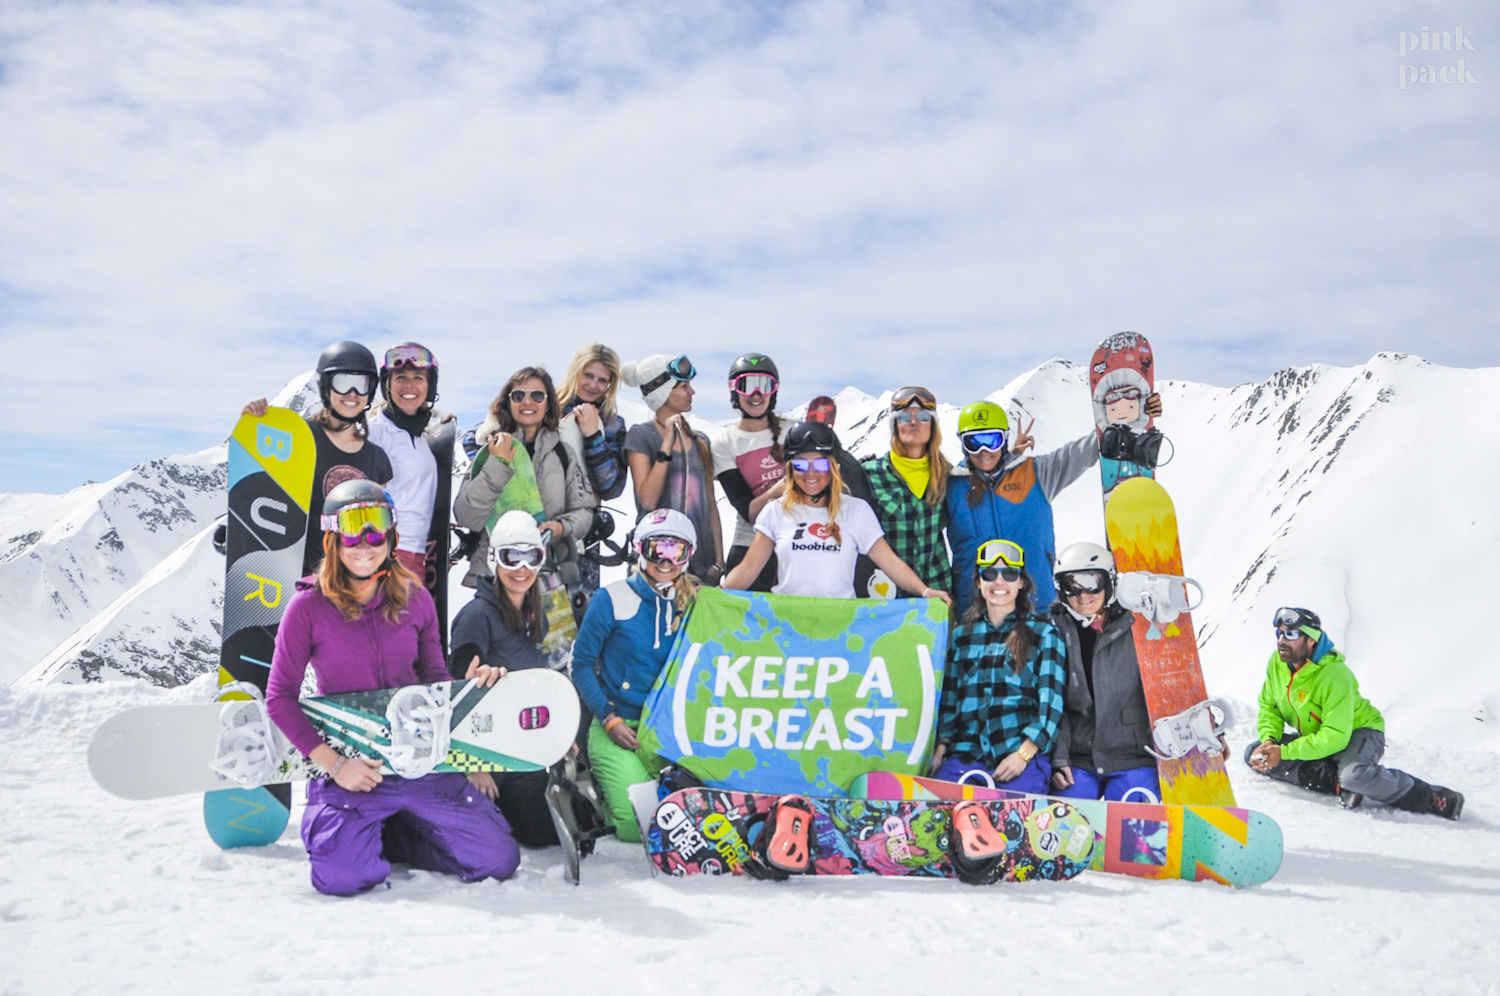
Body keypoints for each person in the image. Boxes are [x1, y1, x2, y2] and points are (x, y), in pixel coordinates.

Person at [265, 480, 518, 896]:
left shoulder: (415, 599)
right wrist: (335, 765)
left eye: (376, 528)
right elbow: (279, 697)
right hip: (355, 765)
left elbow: (433, 675)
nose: (365, 543)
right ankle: (366, 833)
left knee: (497, 860)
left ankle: (396, 834)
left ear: (391, 535)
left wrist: (464, 692)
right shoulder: (308, 607)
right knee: (342, 878)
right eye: (352, 530)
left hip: (418, 760)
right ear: (333, 539)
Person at [1246, 607, 1464, 819]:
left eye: (1291, 634)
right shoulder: (1277, 663)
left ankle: (1429, 797)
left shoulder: (1335, 675)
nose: (1282, 640)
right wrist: (1269, 740)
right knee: (1254, 754)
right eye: (1280, 633)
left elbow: (1335, 736)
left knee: (1355, 776)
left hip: (1359, 732)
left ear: (1311, 639)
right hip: (1321, 737)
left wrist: (1284, 752)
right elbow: (1270, 707)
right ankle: (1336, 782)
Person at [947, 398, 1155, 614]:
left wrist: (1135, 416)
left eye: (992, 440)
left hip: (1038, 606)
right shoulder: (950, 486)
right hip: (974, 610)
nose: (983, 451)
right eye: (973, 442)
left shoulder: (1036, 472)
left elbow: (1079, 453)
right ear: (962, 443)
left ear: (1005, 439)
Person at [570, 509, 700, 841]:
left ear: (688, 555)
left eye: (676, 550)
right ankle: (603, 795)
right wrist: (608, 717)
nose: (666, 561)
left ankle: (643, 786)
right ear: (640, 550)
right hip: (620, 727)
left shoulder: (697, 603)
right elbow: (580, 664)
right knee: (637, 826)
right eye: (656, 549)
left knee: (693, 819)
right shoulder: (611, 598)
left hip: (671, 730)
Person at [722, 421, 953, 604]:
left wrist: (924, 591)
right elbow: (748, 569)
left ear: (833, 468)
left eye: (821, 464)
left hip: (841, 624)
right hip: (787, 622)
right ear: (790, 469)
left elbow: (890, 562)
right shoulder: (775, 512)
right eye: (801, 465)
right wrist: (716, 594)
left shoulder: (855, 510)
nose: (811, 473)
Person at [448, 510, 560, 847]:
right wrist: (472, 766)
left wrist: (557, 732)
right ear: (494, 558)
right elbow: (453, 698)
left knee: (546, 834)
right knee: (488, 838)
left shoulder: (537, 615)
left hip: (517, 749)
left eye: (531, 557)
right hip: (482, 753)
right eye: (512, 557)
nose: (522, 569)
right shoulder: (476, 616)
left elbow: (536, 688)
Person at [243, 341, 393, 577]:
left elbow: (377, 524)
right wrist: (253, 428)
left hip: (349, 578)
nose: (352, 393)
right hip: (298, 576)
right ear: (325, 387)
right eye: (342, 382)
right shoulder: (297, 439)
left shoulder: (377, 458)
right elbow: (262, 492)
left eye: (361, 384)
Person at [931, 539, 1066, 794]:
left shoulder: (1044, 634)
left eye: (1010, 574)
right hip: (967, 755)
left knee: (1013, 814)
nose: (999, 582)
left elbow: (1051, 706)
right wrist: (940, 751)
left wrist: (1023, 755)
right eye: (990, 574)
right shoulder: (962, 635)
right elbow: (949, 701)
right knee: (936, 806)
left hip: (1018, 753)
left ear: (1021, 582)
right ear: (978, 581)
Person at [454, 366, 597, 590]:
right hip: (494, 576)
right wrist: (498, 464)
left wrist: (561, 527)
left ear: (548, 404)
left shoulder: (563, 454)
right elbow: (466, 516)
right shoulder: (489, 451)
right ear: (508, 402)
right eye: (518, 396)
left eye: (537, 396)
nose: (527, 402)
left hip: (548, 575)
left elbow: (584, 511)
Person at [1045, 543, 1160, 803]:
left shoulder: (1139, 625)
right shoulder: (1054, 633)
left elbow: (1172, 678)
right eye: (1072, 585)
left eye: (1093, 582)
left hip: (1132, 755)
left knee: (1131, 814)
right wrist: (1059, 757)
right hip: (1080, 758)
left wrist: (1206, 732)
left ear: (1108, 582)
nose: (1083, 594)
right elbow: (1054, 703)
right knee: (1068, 815)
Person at [621, 354, 724, 584]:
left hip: (701, 568)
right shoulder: (641, 436)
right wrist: (666, 444)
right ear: (662, 391)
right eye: (683, 386)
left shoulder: (701, 441)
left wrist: (718, 562)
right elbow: (648, 500)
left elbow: (710, 504)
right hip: (656, 564)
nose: (691, 392)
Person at [365, 343, 452, 580]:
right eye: (400, 377)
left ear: (430, 386)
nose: (409, 385)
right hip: (389, 554)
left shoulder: (420, 437)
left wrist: (441, 430)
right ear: (387, 384)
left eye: (418, 378)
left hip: (421, 556)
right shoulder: (375, 433)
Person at [862, 386, 951, 598]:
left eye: (923, 417)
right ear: (895, 426)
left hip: (937, 590)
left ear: (932, 426)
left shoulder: (947, 474)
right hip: (887, 594)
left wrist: (1010, 457)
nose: (913, 422)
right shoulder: (869, 474)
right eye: (904, 417)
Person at [711, 353, 789, 592]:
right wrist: (785, 485)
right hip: (749, 544)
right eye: (747, 385)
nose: (756, 394)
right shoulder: (725, 444)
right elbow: (749, 511)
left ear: (774, 391)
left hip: (795, 543)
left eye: (764, 385)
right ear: (734, 391)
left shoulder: (793, 430)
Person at [556, 344, 629, 594]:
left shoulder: (612, 424)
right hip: (541, 524)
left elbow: (612, 488)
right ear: (575, 371)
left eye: (602, 380)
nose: (593, 385)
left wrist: (593, 437)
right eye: (588, 375)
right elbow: (486, 435)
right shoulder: (545, 407)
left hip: (585, 531)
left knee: (579, 606)